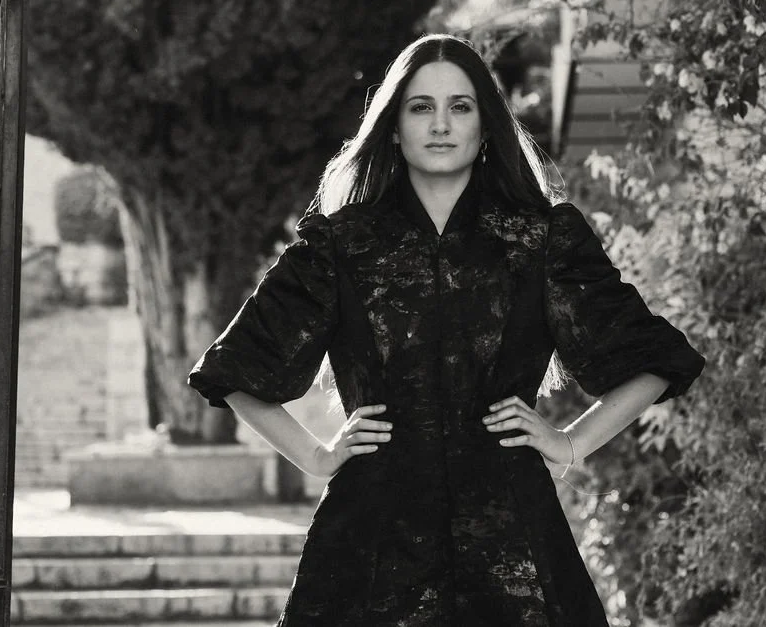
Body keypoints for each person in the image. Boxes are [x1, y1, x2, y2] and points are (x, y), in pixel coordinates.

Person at [187, 34, 705, 626]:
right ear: (393, 126)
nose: (440, 124)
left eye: (460, 106)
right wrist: (315, 455)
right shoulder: (340, 244)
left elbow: (656, 357)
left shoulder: (542, 238)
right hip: (370, 544)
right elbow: (234, 368)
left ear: (486, 126)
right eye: (420, 107)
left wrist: (570, 442)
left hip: (511, 542)